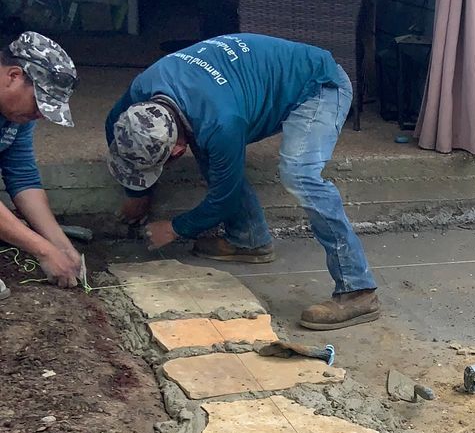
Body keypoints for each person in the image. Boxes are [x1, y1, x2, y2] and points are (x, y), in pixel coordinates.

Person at [105, 33, 380, 328]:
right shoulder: (143, 90)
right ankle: (249, 241)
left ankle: (357, 289)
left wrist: (175, 228)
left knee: (299, 173)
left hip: (319, 84)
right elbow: (112, 125)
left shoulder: (222, 123)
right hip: (243, 86)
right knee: (213, 150)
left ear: (177, 150)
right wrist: (137, 193)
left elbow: (226, 195)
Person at [0, 29, 85, 289]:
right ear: (14, 76)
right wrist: (44, 251)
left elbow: (22, 176)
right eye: (39, 105)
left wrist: (60, 243)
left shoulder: (17, 114)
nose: (40, 115)